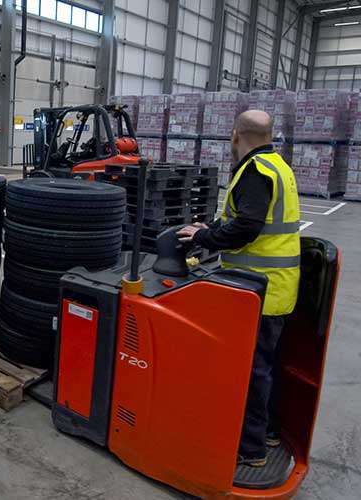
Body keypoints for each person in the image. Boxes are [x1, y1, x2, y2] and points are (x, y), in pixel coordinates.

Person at [177, 110, 301, 468]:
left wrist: (203, 237)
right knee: (267, 366)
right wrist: (212, 226)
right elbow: (248, 219)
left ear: (235, 136)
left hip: (258, 290)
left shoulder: (255, 172)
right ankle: (270, 432)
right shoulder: (279, 166)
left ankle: (250, 449)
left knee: (251, 371)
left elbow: (246, 228)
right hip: (279, 288)